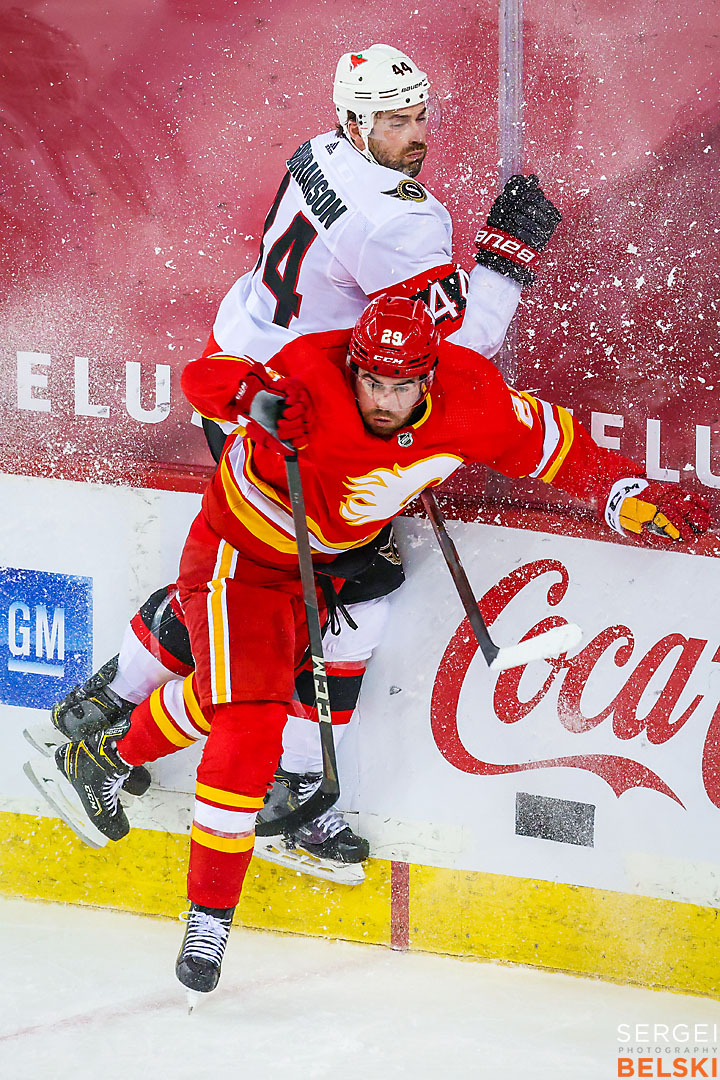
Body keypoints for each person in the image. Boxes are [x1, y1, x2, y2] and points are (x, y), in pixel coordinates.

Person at [27, 294, 710, 994]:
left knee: (237, 693)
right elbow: (205, 377)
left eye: (400, 386)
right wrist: (255, 399)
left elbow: (551, 443)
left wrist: (621, 492)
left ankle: (106, 755)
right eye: (371, 381)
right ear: (353, 366)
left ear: (429, 377)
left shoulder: (471, 398)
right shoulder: (310, 373)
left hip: (323, 572)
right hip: (242, 559)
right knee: (251, 723)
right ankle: (209, 918)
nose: (382, 400)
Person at [25, 42, 562, 873]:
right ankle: (276, 785)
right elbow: (463, 349)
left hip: (248, 375)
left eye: (420, 115)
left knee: (260, 584)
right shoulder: (405, 221)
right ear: (356, 120)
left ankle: (108, 707)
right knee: (325, 603)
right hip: (294, 415)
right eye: (396, 120)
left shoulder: (319, 151)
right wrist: (504, 261)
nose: (417, 134)